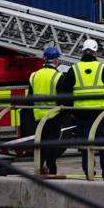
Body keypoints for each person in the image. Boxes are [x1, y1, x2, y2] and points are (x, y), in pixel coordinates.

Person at [57, 38, 104, 180]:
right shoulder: (103, 68)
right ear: (95, 53)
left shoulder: (74, 69)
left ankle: (89, 174)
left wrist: (71, 112)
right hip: (101, 113)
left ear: (82, 52)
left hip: (81, 114)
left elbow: (66, 93)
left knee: (85, 146)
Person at [28, 46, 65, 174]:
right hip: (53, 116)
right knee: (52, 146)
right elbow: (62, 100)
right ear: (55, 60)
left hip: (38, 116)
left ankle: (38, 170)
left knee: (40, 146)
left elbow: (30, 98)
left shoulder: (34, 75)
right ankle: (52, 170)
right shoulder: (58, 76)